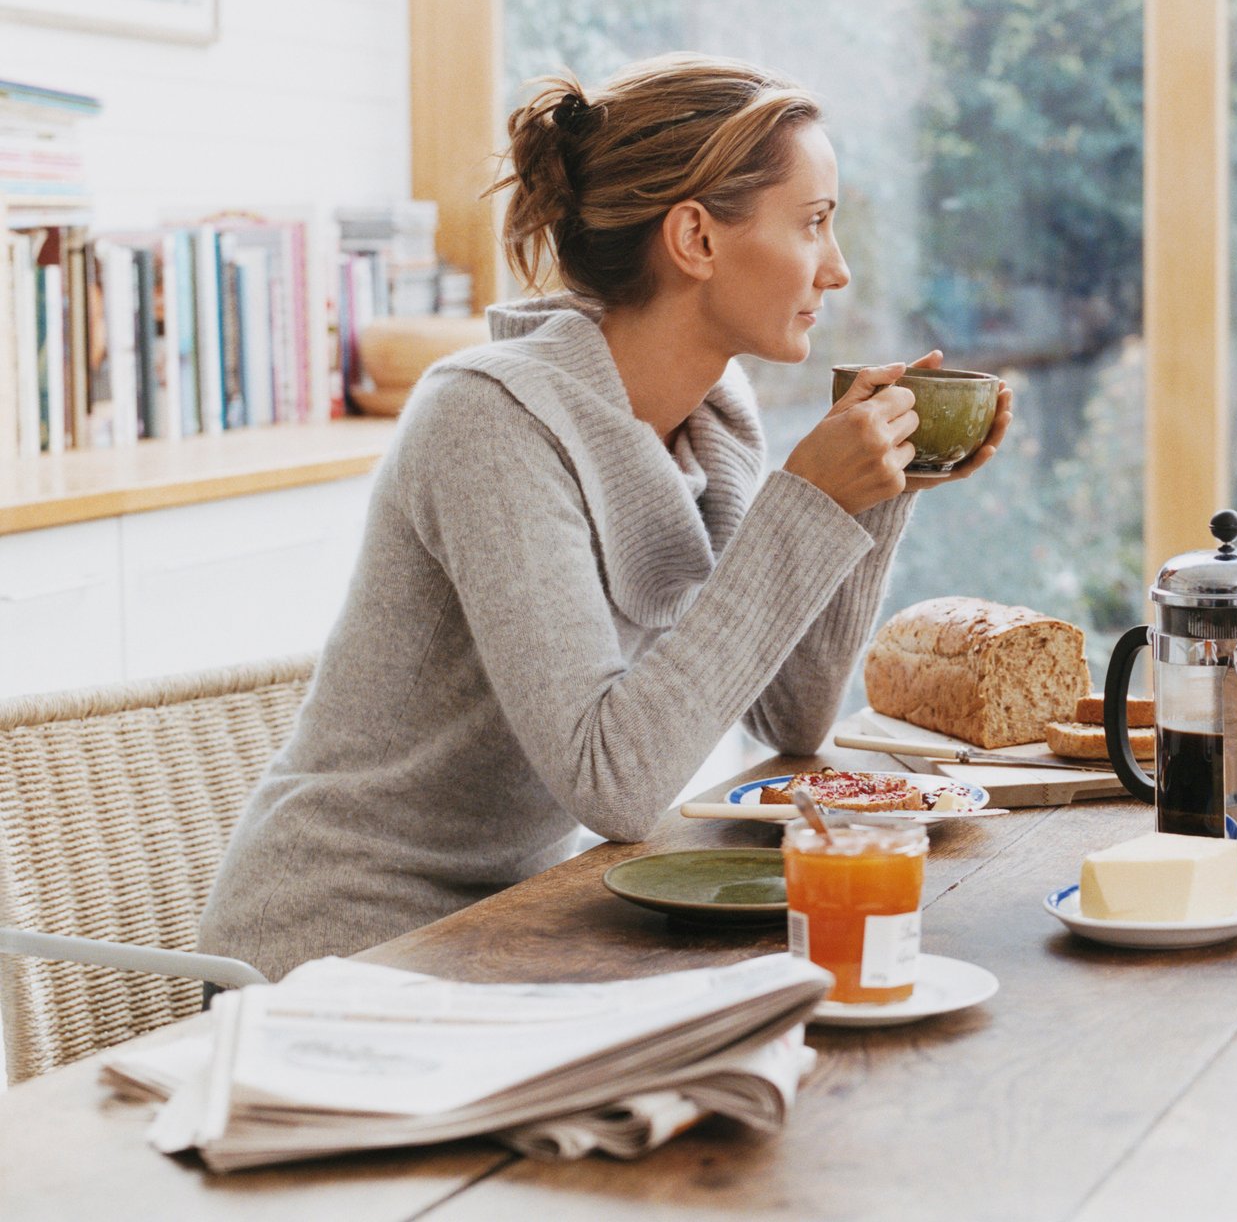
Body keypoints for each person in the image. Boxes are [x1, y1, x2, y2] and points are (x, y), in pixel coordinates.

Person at [200, 55, 1011, 977]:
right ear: (697, 238)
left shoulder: (714, 415)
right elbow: (615, 784)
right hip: (343, 944)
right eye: (815, 223)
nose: (838, 268)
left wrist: (872, 497)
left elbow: (793, 714)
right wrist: (809, 501)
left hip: (522, 919)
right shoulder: (488, 419)